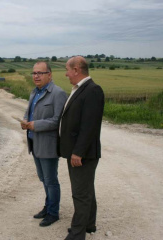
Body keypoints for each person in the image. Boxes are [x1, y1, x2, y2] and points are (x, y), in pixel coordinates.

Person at [59, 56, 104, 240]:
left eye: (68, 69)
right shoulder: (80, 89)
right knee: (86, 190)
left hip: (82, 154)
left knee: (80, 194)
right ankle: (89, 224)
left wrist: (78, 152)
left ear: (77, 70)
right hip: (77, 152)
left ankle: (77, 234)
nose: (66, 73)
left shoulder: (92, 90)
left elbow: (89, 126)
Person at [21, 61, 67, 227]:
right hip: (34, 142)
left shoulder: (58, 93)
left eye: (40, 73)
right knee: (43, 178)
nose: (36, 76)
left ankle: (53, 213)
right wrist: (25, 121)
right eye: (34, 73)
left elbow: (58, 121)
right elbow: (28, 113)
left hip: (48, 145)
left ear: (50, 74)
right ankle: (48, 207)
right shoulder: (35, 92)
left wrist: (35, 125)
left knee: (50, 180)